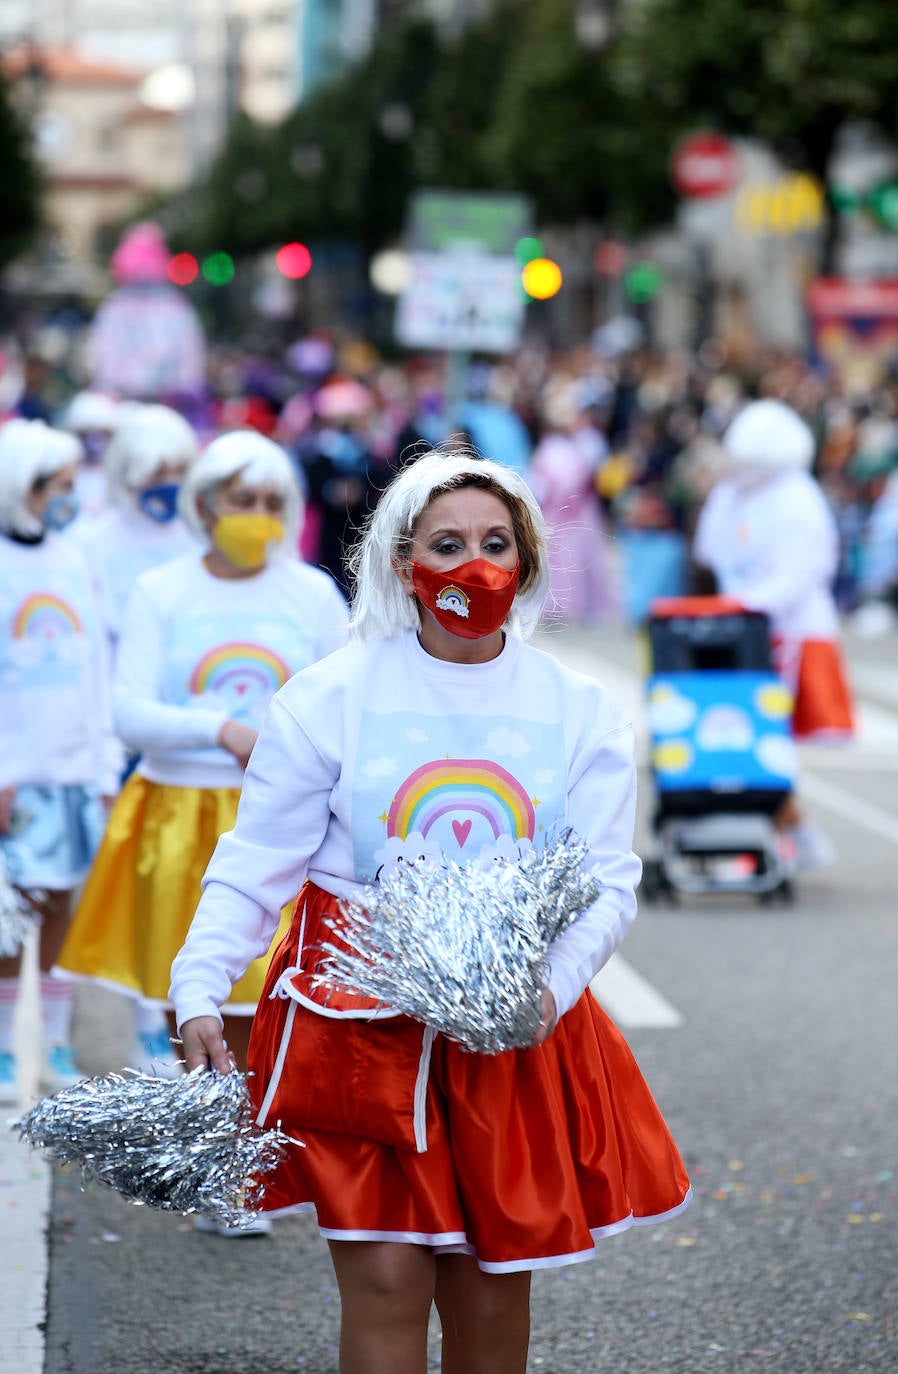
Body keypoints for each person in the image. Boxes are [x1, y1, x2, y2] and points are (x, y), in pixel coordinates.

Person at [170, 448, 691, 1362]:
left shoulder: (580, 710)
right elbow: (257, 861)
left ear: (527, 559)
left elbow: (610, 880)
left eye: (497, 542)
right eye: (446, 545)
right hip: (356, 1025)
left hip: (508, 1035)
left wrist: (548, 992)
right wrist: (201, 982)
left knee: (491, 1289)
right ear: (404, 563)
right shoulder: (326, 699)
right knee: (384, 1281)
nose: (473, 566)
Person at [57, 431, 349, 1094]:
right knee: (193, 1006)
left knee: (276, 997)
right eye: (242, 497)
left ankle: (264, 1160)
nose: (257, 512)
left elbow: (347, 706)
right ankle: (215, 1163)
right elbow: (127, 712)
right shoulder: (162, 590)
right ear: (206, 503)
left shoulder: (313, 594)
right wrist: (221, 731)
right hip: (176, 815)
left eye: (273, 500)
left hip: (284, 822)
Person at [66, 403, 201, 1071]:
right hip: (110, 738)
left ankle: (160, 1020)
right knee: (116, 889)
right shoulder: (90, 545)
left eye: (179, 469)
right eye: (154, 471)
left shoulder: (198, 538)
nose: (166, 483)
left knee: (176, 884)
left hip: (179, 738)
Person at [0, 419, 118, 1104]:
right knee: (13, 914)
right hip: (20, 769)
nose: (71, 498)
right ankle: (8, 1053)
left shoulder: (75, 561)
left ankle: (51, 1042)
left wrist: (102, 765)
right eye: (58, 486)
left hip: (73, 763)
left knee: (63, 906)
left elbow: (95, 665)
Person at [692, 398, 855, 865]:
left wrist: (747, 603)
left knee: (767, 740)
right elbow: (709, 550)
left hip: (791, 634)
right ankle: (782, 830)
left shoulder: (798, 497)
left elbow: (803, 572)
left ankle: (781, 832)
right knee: (736, 737)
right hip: (736, 630)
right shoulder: (734, 493)